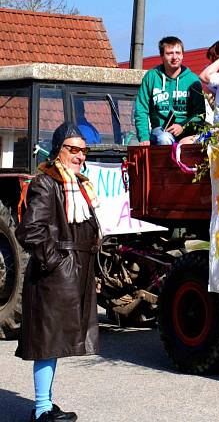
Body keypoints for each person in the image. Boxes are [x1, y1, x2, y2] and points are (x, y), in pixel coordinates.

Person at [15, 124, 100, 422]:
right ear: (58, 151)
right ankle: (41, 410)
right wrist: (55, 263)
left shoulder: (78, 184)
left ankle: (45, 405)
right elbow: (31, 230)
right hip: (53, 277)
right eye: (72, 149)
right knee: (47, 343)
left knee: (52, 343)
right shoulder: (46, 183)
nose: (79, 156)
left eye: (83, 150)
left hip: (69, 275)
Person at [134, 36, 205, 145]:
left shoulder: (192, 80)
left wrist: (183, 126)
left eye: (178, 53)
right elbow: (141, 109)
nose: (174, 57)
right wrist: (144, 137)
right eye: (169, 53)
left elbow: (200, 114)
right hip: (161, 130)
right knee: (164, 138)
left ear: (182, 55)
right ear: (162, 56)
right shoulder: (151, 77)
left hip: (187, 130)